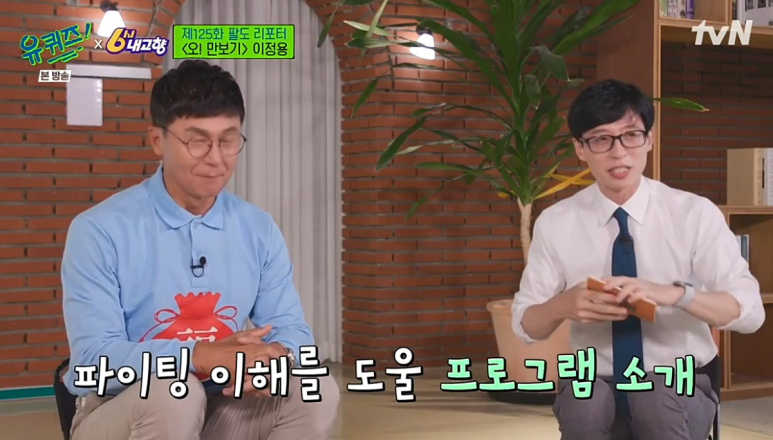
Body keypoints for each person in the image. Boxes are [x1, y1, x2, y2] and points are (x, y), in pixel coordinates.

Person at [61, 60, 340, 440]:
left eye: (228, 140)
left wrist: (277, 357)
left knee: (315, 388)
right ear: (157, 140)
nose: (215, 157)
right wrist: (196, 356)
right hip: (121, 409)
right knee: (176, 393)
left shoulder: (257, 228)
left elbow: (292, 330)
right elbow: (91, 363)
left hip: (221, 404)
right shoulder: (99, 230)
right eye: (197, 141)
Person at [511, 78, 765, 440]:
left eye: (631, 135)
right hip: (597, 378)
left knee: (655, 398)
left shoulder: (694, 213)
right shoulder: (556, 222)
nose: (619, 153)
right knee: (584, 406)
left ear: (650, 138)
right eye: (601, 139)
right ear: (580, 148)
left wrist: (675, 295)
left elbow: (750, 312)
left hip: (679, 379)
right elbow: (526, 325)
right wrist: (561, 306)